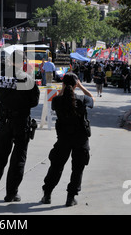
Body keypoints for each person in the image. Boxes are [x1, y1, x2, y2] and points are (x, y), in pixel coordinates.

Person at [0, 49, 40, 202]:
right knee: (18, 159)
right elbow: (34, 101)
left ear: (9, 61)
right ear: (23, 62)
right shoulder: (27, 79)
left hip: (5, 122)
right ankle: (11, 193)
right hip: (21, 122)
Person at [40, 72, 94, 206]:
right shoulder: (82, 99)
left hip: (64, 138)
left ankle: (47, 195)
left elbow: (56, 101)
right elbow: (92, 99)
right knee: (78, 168)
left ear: (63, 84)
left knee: (56, 166)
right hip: (80, 139)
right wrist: (80, 86)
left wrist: (63, 89)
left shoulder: (57, 100)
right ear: (76, 85)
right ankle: (70, 197)